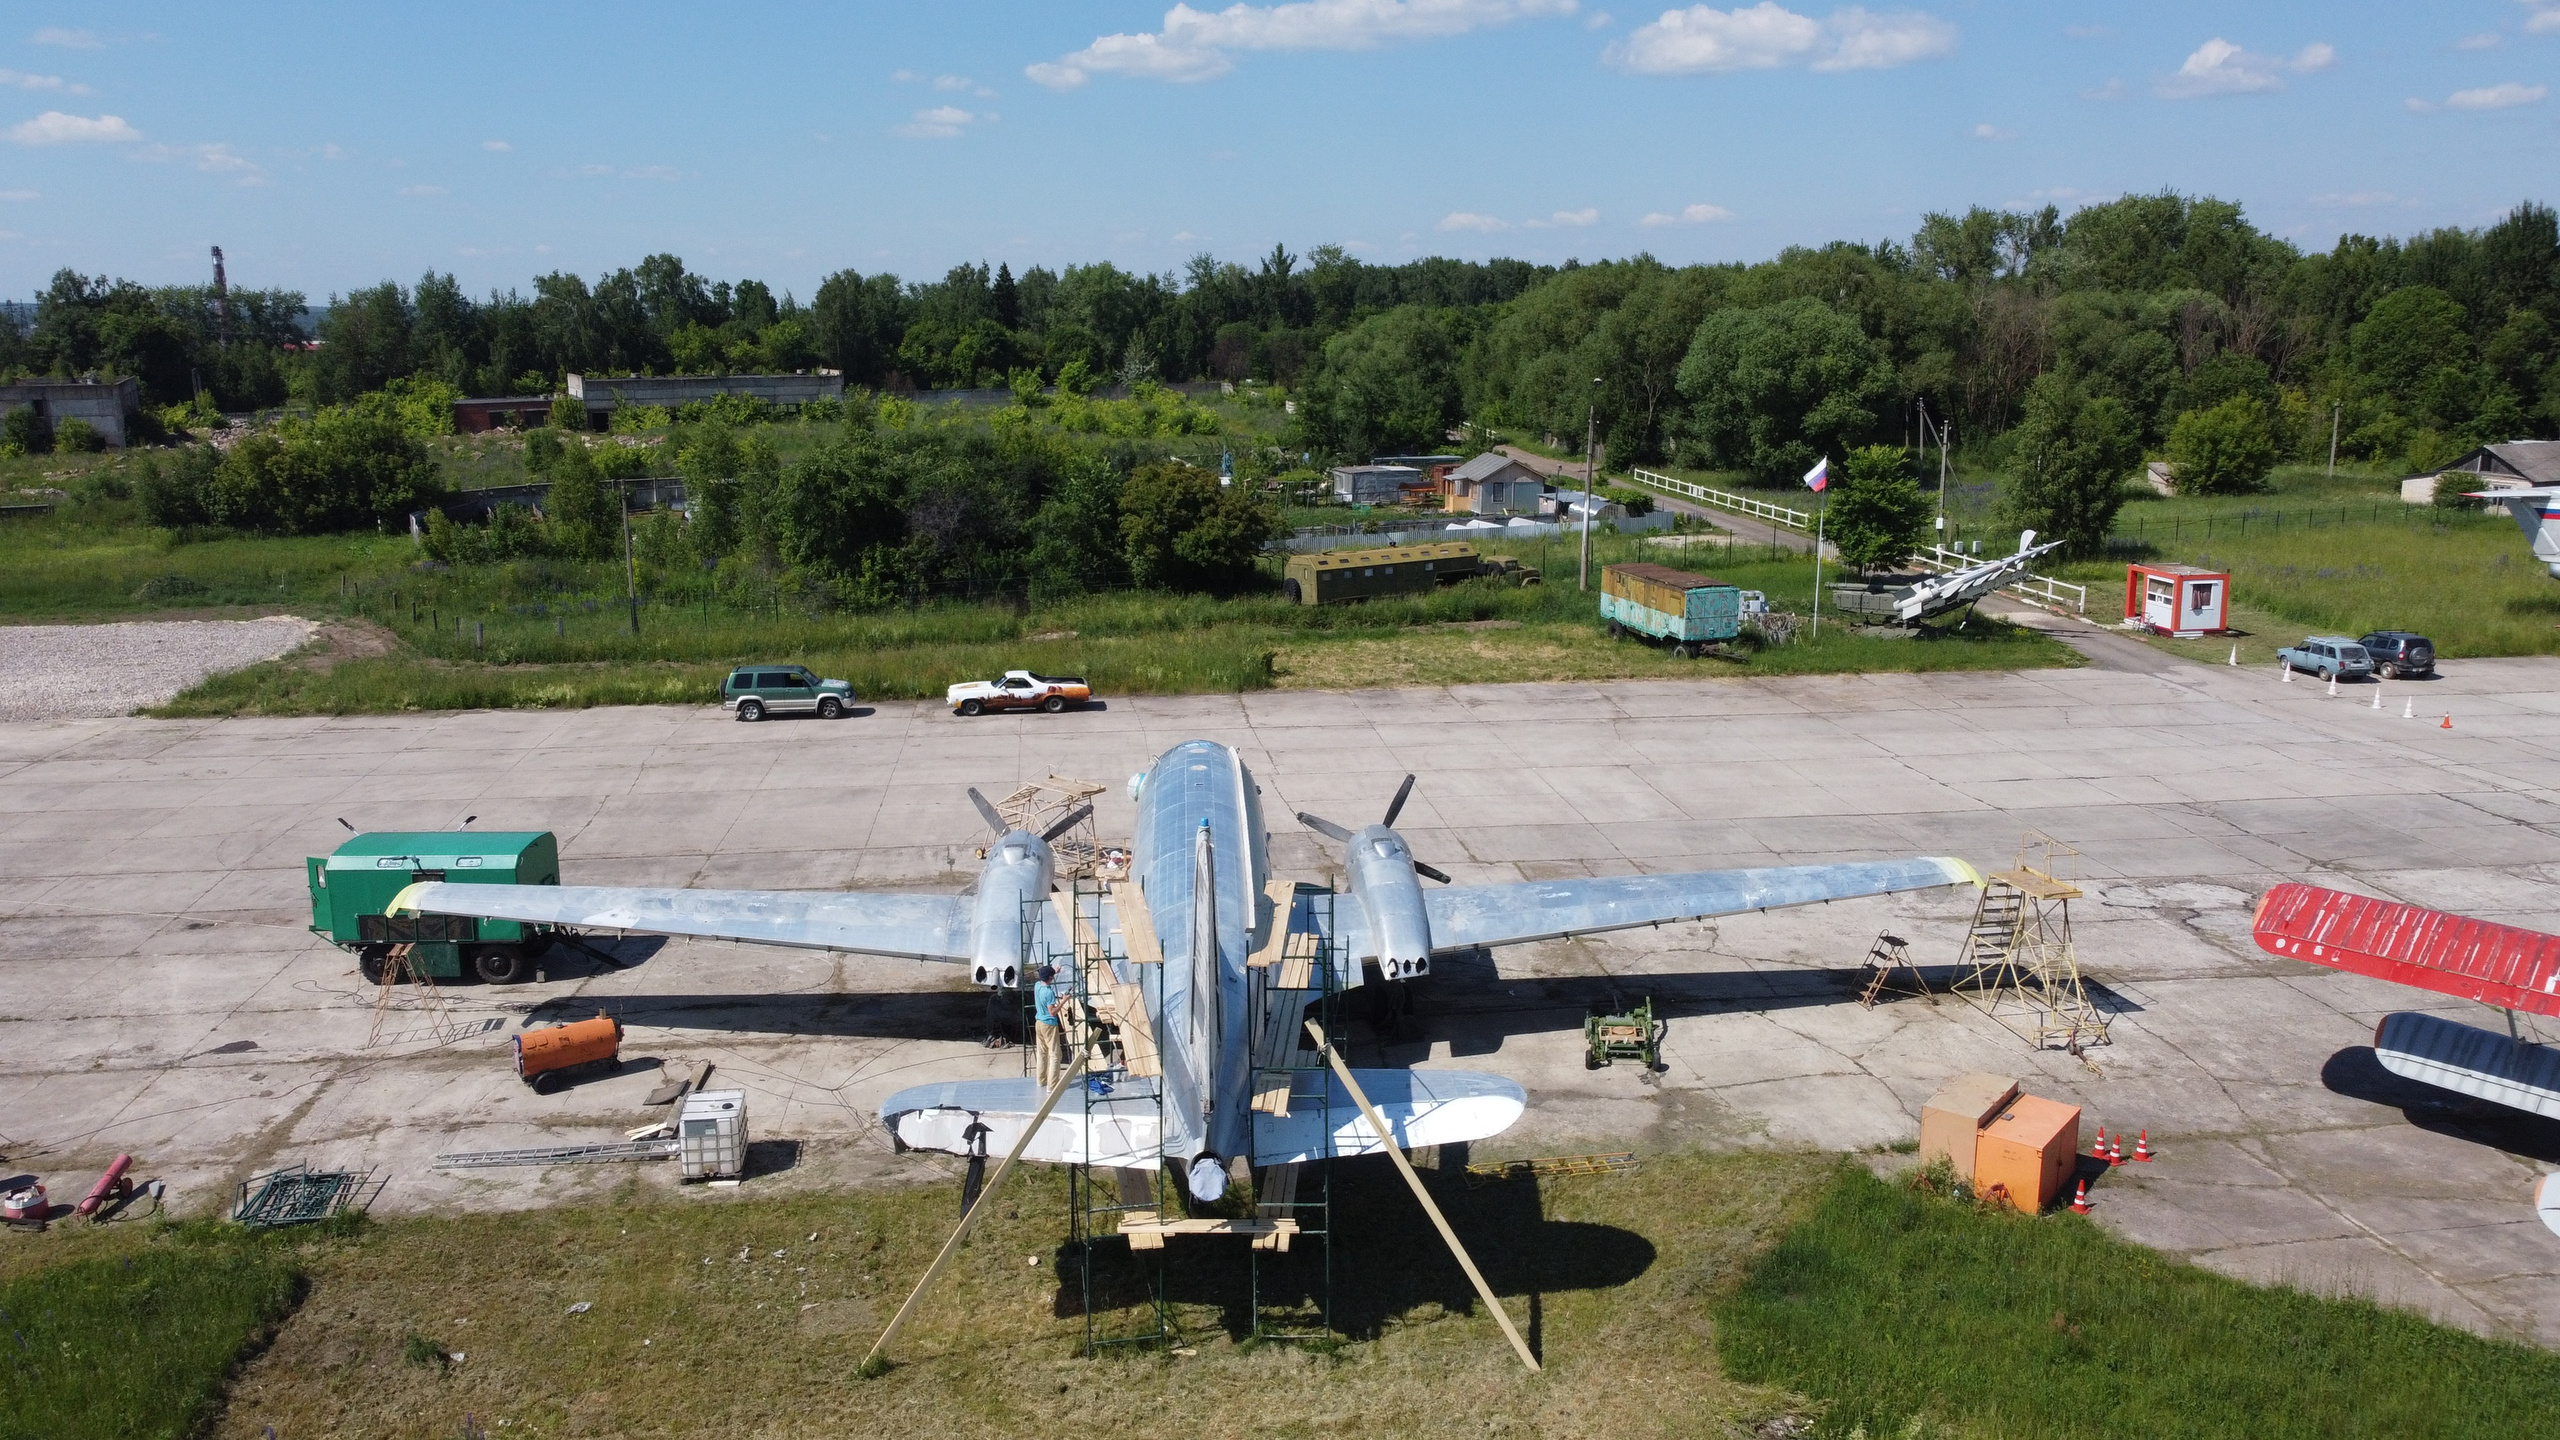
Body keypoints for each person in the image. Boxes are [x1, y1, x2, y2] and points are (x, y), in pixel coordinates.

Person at [1033, 965, 1064, 1086]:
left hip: (1039, 1022)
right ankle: (1052, 1085)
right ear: (1050, 977)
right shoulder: (1049, 993)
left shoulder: (1037, 986)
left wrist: (1053, 973)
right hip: (1049, 1024)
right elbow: (1052, 1012)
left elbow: (1046, 980)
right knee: (1055, 1054)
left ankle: (1041, 1081)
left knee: (1042, 1053)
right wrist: (1064, 1001)